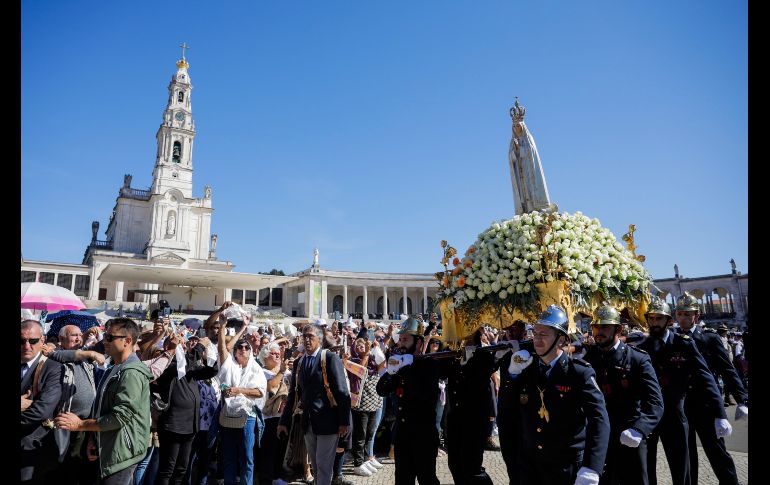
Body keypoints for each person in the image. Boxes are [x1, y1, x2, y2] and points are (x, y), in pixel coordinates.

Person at [508, 305, 610, 485]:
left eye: (543, 335)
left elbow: (599, 418)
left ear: (561, 340)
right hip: (531, 465)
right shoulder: (526, 369)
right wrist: (512, 375)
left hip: (566, 466)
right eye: (535, 333)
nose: (537, 340)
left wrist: (593, 466)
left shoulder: (579, 373)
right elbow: (510, 412)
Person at [55, 318, 153, 485]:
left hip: (121, 454)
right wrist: (95, 437)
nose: (104, 341)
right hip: (110, 447)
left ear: (127, 341)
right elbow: (104, 409)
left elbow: (120, 417)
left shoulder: (131, 373)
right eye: (104, 336)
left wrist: (80, 425)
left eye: (109, 337)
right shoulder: (115, 368)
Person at [638, 298, 725, 485]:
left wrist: (720, 413)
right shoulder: (641, 349)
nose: (654, 323)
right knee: (646, 470)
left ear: (669, 321)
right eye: (651, 318)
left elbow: (705, 376)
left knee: (681, 470)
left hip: (676, 416)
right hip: (650, 416)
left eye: (659, 318)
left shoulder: (683, 344)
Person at [583, 306, 663, 485]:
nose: (598, 332)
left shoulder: (637, 359)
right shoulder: (590, 358)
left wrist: (640, 429)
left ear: (618, 330)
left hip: (630, 435)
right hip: (600, 437)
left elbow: (656, 402)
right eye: (595, 327)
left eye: (604, 327)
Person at [673, 293, 747, 485]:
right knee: (687, 455)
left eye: (687, 314)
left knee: (717, 452)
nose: (683, 318)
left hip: (706, 404)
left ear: (696, 316)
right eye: (680, 314)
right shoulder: (673, 339)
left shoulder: (709, 338)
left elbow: (727, 369)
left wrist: (742, 399)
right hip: (683, 406)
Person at [278, 324, 351, 485]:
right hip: (308, 422)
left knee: (323, 465)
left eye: (310, 336)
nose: (307, 340)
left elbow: (342, 392)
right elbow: (293, 395)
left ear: (320, 338)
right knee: (317, 467)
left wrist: (344, 421)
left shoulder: (330, 358)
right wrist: (283, 421)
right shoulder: (299, 362)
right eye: (304, 336)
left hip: (329, 422)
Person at [376, 317, 442, 485]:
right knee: (403, 480)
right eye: (401, 339)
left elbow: (424, 395)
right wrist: (391, 371)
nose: (401, 344)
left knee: (427, 479)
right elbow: (381, 390)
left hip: (423, 435)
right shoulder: (399, 363)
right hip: (402, 434)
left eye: (406, 339)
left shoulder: (429, 365)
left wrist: (406, 370)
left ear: (419, 343)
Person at [152, 333, 218, 485]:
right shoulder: (166, 366)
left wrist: (208, 357)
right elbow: (183, 365)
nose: (184, 347)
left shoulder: (189, 368)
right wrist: (200, 346)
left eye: (184, 344)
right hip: (173, 425)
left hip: (190, 425)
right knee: (167, 468)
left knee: (181, 468)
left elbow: (211, 371)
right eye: (180, 344)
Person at [45, 325, 104, 485]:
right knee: (62, 470)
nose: (79, 338)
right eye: (74, 336)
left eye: (80, 335)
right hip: (64, 423)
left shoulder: (83, 357)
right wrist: (89, 351)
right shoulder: (56, 355)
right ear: (62, 339)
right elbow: (56, 354)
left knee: (78, 469)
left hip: (84, 425)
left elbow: (104, 346)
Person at [216, 317, 266, 485]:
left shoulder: (255, 369)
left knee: (246, 457)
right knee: (228, 457)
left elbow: (259, 392)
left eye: (246, 347)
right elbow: (223, 349)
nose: (243, 349)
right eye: (240, 347)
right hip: (229, 416)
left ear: (250, 351)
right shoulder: (230, 366)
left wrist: (238, 390)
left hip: (248, 417)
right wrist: (223, 327)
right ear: (235, 351)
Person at [21, 319, 64, 485]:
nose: (26, 346)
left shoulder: (53, 368)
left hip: (31, 450)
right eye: (21, 341)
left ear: (42, 341)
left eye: (32, 341)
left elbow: (41, 410)